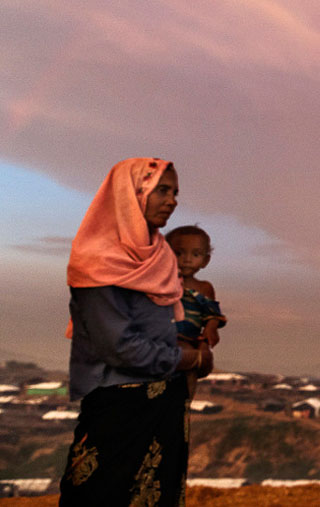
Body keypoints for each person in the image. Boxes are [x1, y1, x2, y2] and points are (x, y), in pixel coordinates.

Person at [59, 158, 212, 506]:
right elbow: (119, 347)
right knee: (101, 496)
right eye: (162, 189)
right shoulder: (97, 259)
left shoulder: (160, 255)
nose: (172, 200)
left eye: (175, 192)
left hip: (166, 402)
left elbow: (165, 327)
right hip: (118, 405)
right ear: (132, 192)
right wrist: (188, 357)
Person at [166, 225, 226, 397]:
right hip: (165, 337)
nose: (187, 260)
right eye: (179, 253)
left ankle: (184, 405)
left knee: (193, 369)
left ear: (205, 260)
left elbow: (212, 314)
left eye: (195, 254)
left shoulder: (204, 288)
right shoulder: (162, 282)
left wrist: (210, 328)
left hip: (192, 338)